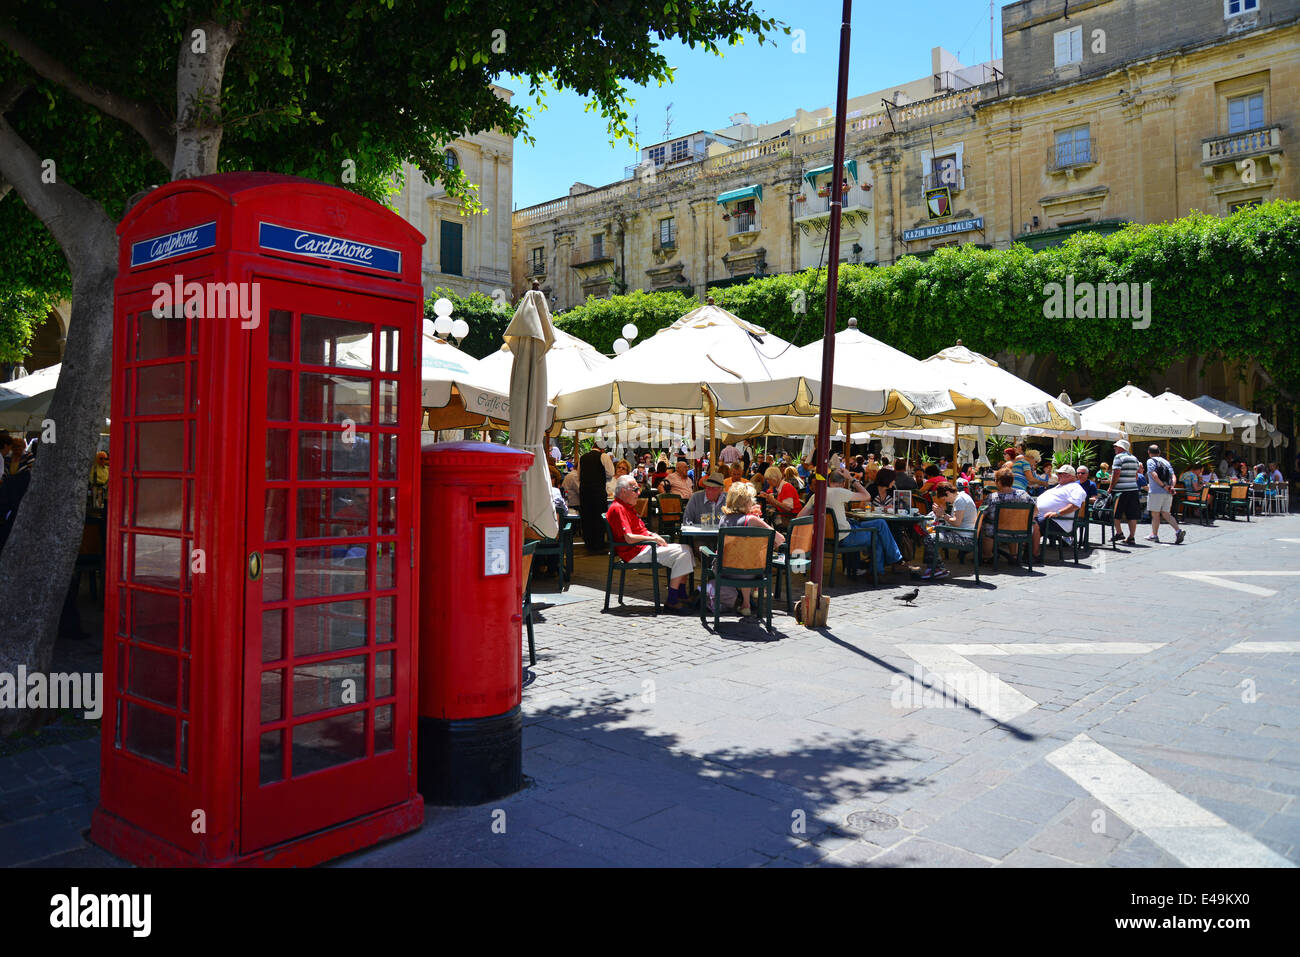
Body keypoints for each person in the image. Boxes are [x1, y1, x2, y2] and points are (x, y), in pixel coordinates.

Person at [606, 475, 697, 612]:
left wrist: (652, 534)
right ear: (624, 491)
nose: (639, 493)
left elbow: (639, 531)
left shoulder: (627, 506)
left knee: (687, 549)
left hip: (643, 547)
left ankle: (681, 595)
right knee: (683, 553)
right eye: (635, 489)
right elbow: (629, 538)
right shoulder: (618, 508)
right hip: (634, 552)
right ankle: (672, 600)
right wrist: (653, 539)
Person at [795, 470, 906, 578]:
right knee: (877, 536)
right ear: (843, 483)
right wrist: (852, 479)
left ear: (829, 481)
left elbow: (800, 516)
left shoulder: (817, 495)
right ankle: (879, 571)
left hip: (828, 537)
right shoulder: (840, 492)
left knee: (880, 523)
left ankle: (893, 559)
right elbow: (866, 496)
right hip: (845, 536)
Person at [709, 481, 786, 616]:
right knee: (749, 559)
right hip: (750, 572)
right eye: (751, 499)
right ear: (746, 501)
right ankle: (750, 598)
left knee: (743, 557)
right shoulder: (752, 520)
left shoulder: (723, 519)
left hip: (724, 570)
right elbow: (780, 539)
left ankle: (746, 604)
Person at [1032, 464, 1087, 558]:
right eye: (1058, 474)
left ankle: (1033, 554)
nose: (1058, 475)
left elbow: (1074, 505)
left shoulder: (1076, 488)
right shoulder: (1059, 486)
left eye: (1061, 474)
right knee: (1022, 521)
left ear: (1071, 476)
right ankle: (1021, 552)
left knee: (1032, 524)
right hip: (1044, 516)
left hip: (1059, 521)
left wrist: (1057, 513)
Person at [980, 467, 1035, 559]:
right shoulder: (1023, 495)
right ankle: (1014, 555)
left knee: (986, 526)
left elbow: (982, 514)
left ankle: (987, 555)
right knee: (1012, 524)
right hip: (1022, 531)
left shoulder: (992, 497)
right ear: (1012, 481)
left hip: (998, 532)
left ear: (998, 482)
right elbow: (1035, 510)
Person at [578, 439, 614, 553]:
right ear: (602, 448)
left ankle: (588, 543)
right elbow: (611, 473)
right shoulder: (603, 456)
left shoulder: (582, 457)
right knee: (599, 517)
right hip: (598, 491)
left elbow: (579, 475)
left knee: (587, 516)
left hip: (584, 491)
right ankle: (598, 544)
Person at [1144, 444, 1185, 544]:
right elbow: (1173, 476)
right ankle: (1178, 530)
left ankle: (1154, 535)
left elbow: (1153, 474)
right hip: (1168, 492)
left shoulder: (1150, 461)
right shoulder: (1166, 462)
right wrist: (1171, 487)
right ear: (1159, 452)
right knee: (1166, 513)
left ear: (1149, 453)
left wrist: (1163, 486)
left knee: (1155, 514)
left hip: (1156, 492)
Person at [1107, 439, 1142, 545]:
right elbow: (1136, 475)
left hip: (1120, 490)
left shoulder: (1118, 457)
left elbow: (1116, 473)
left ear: (1121, 447)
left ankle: (1119, 532)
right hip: (1133, 489)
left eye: (1116, 446)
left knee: (1115, 512)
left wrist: (1110, 487)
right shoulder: (1134, 458)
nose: (1114, 448)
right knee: (1132, 514)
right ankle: (1131, 537)